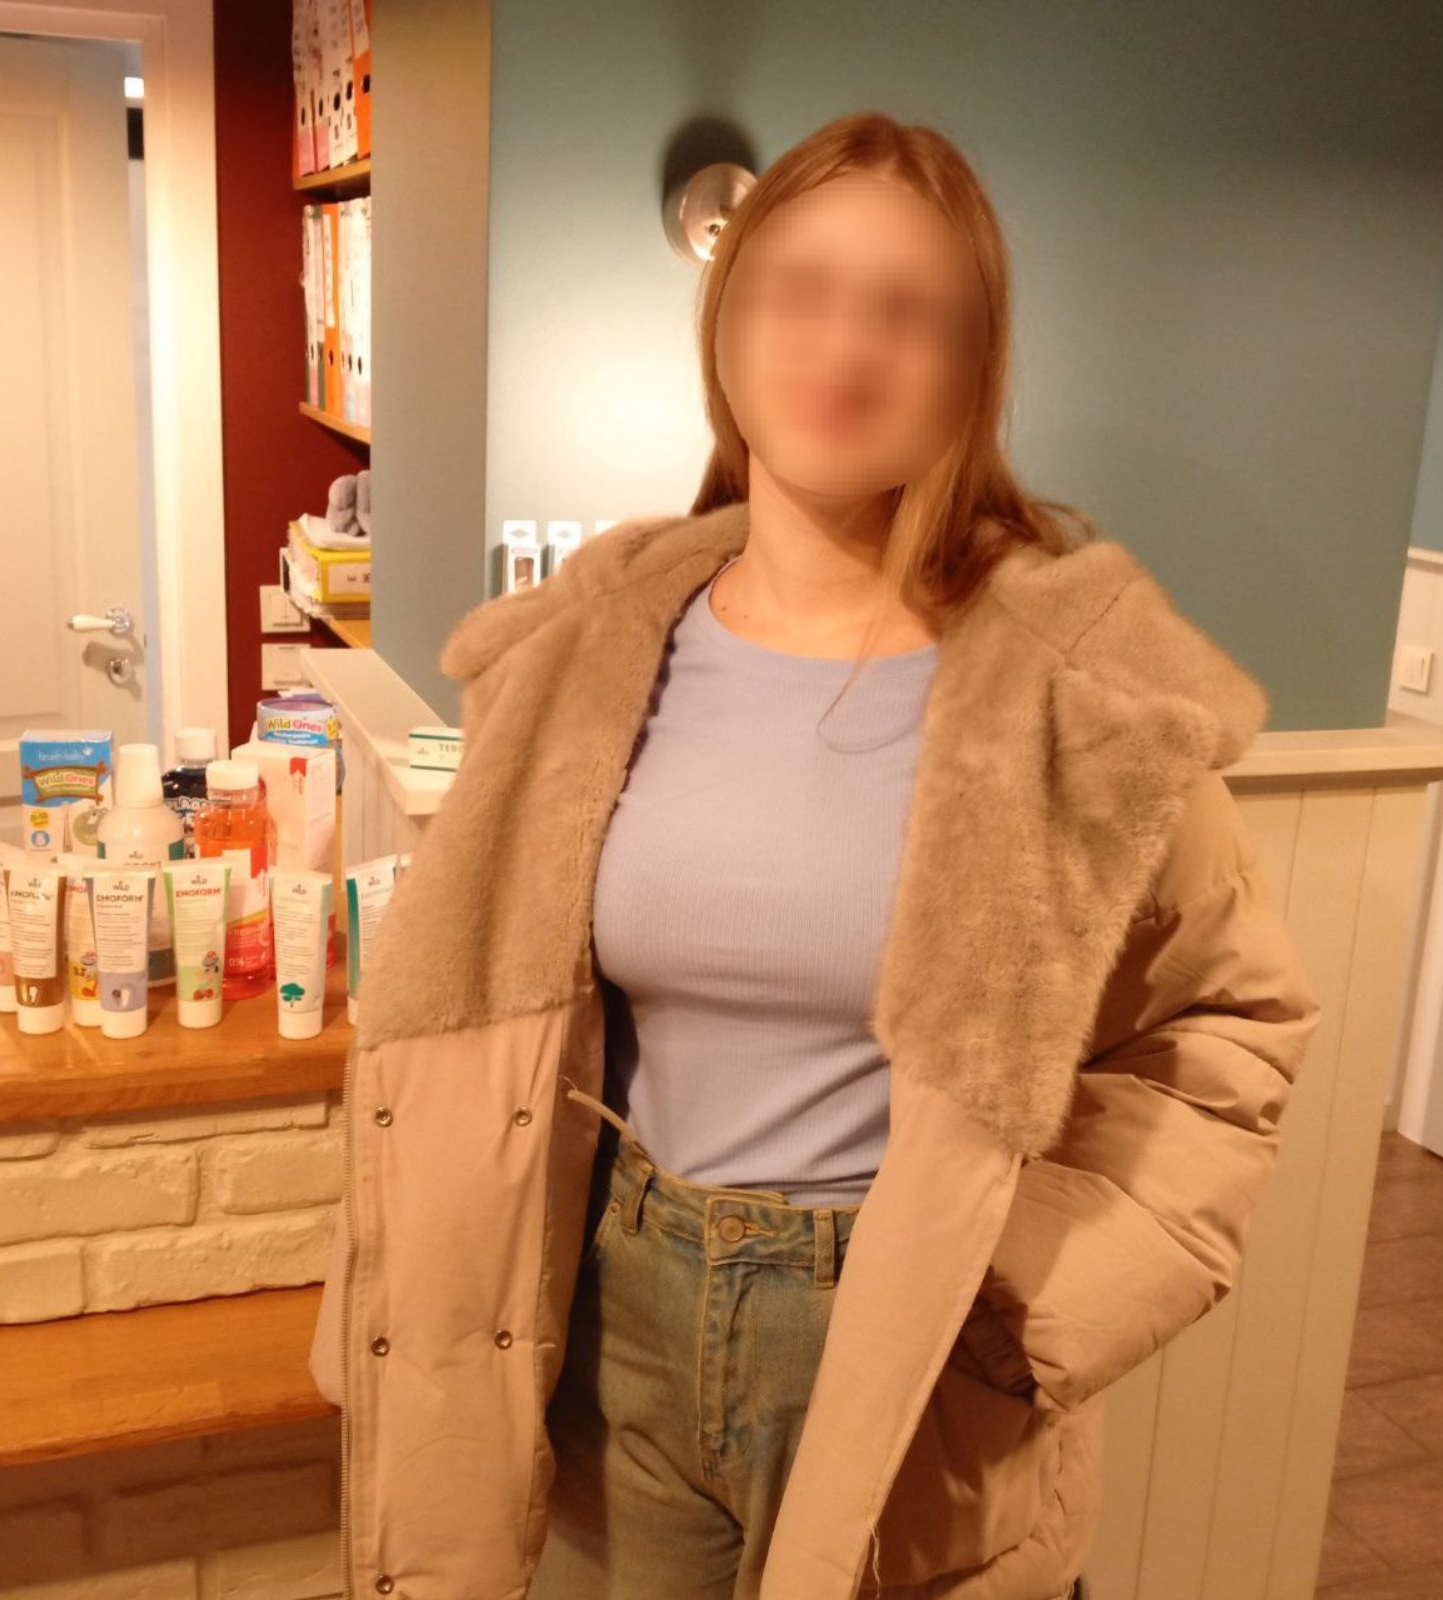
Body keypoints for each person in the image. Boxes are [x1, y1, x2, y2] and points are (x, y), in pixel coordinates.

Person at [310, 110, 1323, 1600]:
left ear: (971, 367)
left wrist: (1035, 1293)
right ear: (728, 324)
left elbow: (1229, 1032)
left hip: (911, 1341)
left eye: (908, 311)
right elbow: (483, 1017)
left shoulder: (1079, 690)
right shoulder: (584, 650)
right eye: (802, 290)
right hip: (620, 1309)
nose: (846, 346)